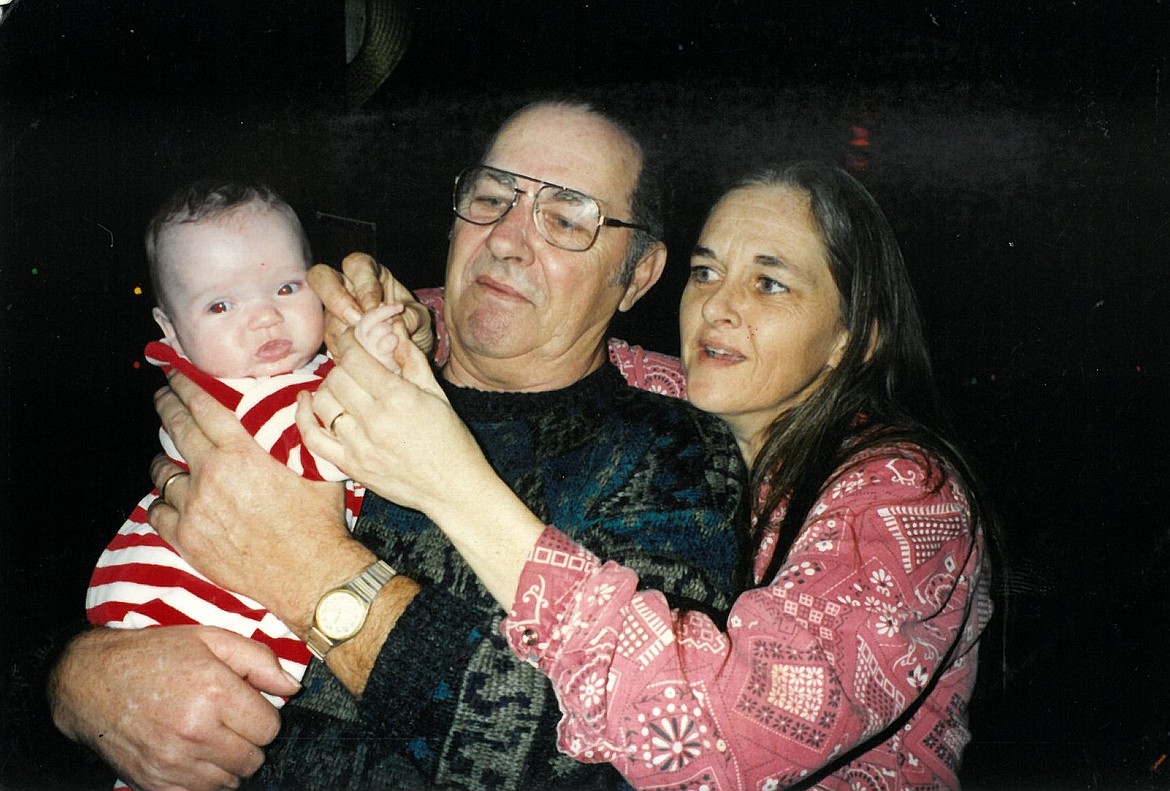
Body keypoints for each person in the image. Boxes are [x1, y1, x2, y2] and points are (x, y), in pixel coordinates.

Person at [45, 99, 748, 791]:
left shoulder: (674, 455)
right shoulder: (297, 365)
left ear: (641, 274)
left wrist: (316, 575)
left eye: (565, 219)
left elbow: (627, 768)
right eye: (491, 196)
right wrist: (74, 681)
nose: (505, 238)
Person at [299, 161, 995, 789]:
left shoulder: (909, 498)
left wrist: (452, 485)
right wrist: (413, 325)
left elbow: (711, 733)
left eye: (769, 282)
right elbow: (557, 344)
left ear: (855, 334)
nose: (719, 305)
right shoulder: (678, 395)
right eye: (706, 271)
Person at [82, 179, 424, 789]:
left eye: (286, 287)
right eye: (220, 305)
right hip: (183, 610)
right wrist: (370, 366)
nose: (265, 315)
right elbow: (319, 452)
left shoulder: (295, 372)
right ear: (172, 329)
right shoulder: (236, 390)